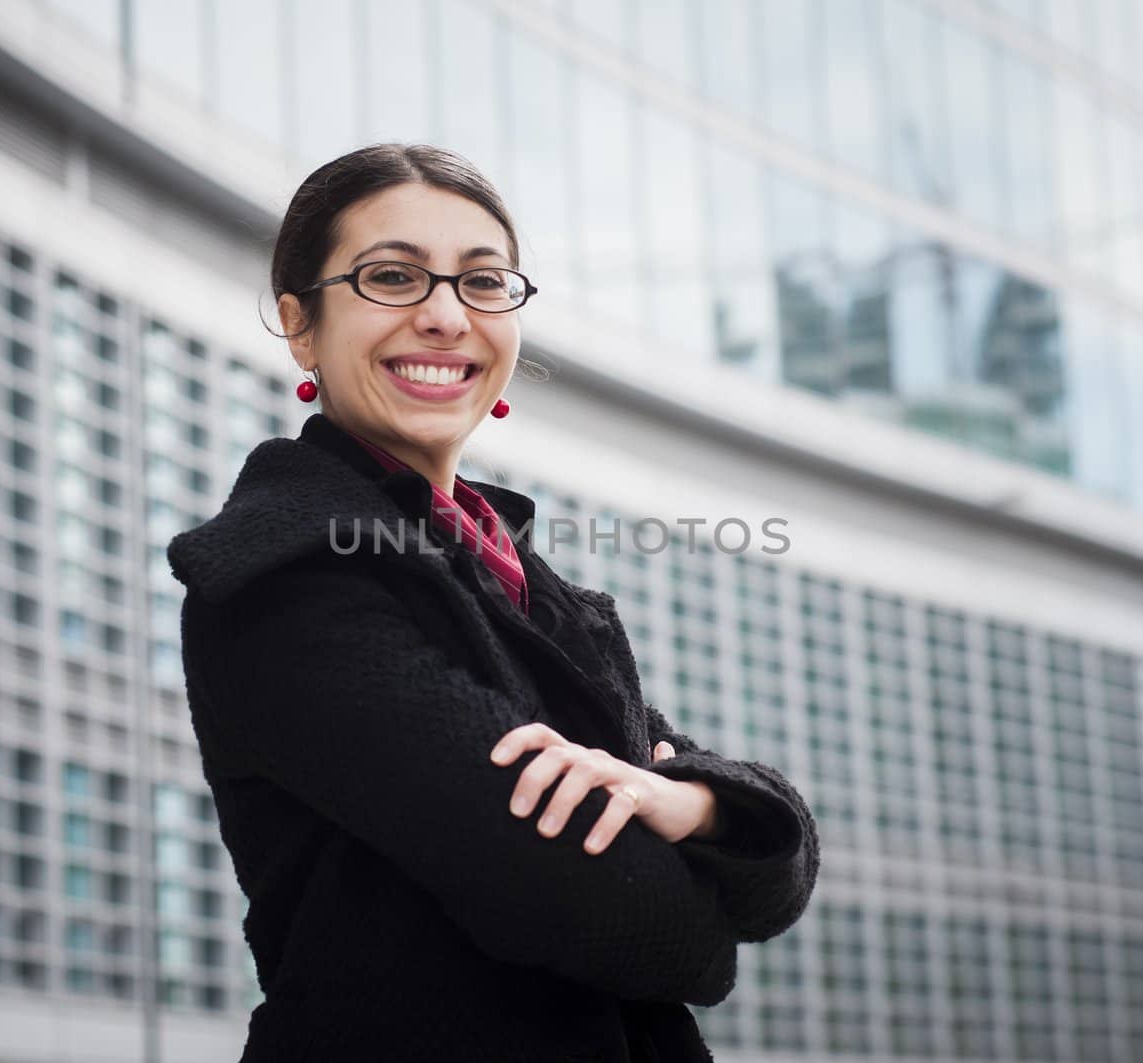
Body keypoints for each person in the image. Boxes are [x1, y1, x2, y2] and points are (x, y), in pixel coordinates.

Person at [167, 143, 819, 1062]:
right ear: (300, 325)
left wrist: (694, 805)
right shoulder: (286, 575)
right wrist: (697, 894)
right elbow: (635, 923)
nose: (444, 316)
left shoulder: (530, 584)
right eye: (391, 277)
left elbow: (780, 879)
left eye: (483, 283)